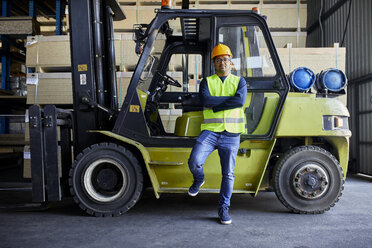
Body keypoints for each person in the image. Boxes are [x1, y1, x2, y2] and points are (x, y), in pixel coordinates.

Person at [188, 43, 247, 225]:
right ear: (214, 63)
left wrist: (215, 105)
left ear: (231, 63)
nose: (222, 63)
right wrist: (229, 101)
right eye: (218, 60)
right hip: (211, 132)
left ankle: (223, 208)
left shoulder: (240, 82)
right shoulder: (207, 81)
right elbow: (205, 100)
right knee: (194, 161)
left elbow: (240, 100)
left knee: (228, 174)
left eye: (225, 60)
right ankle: (199, 179)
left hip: (231, 134)